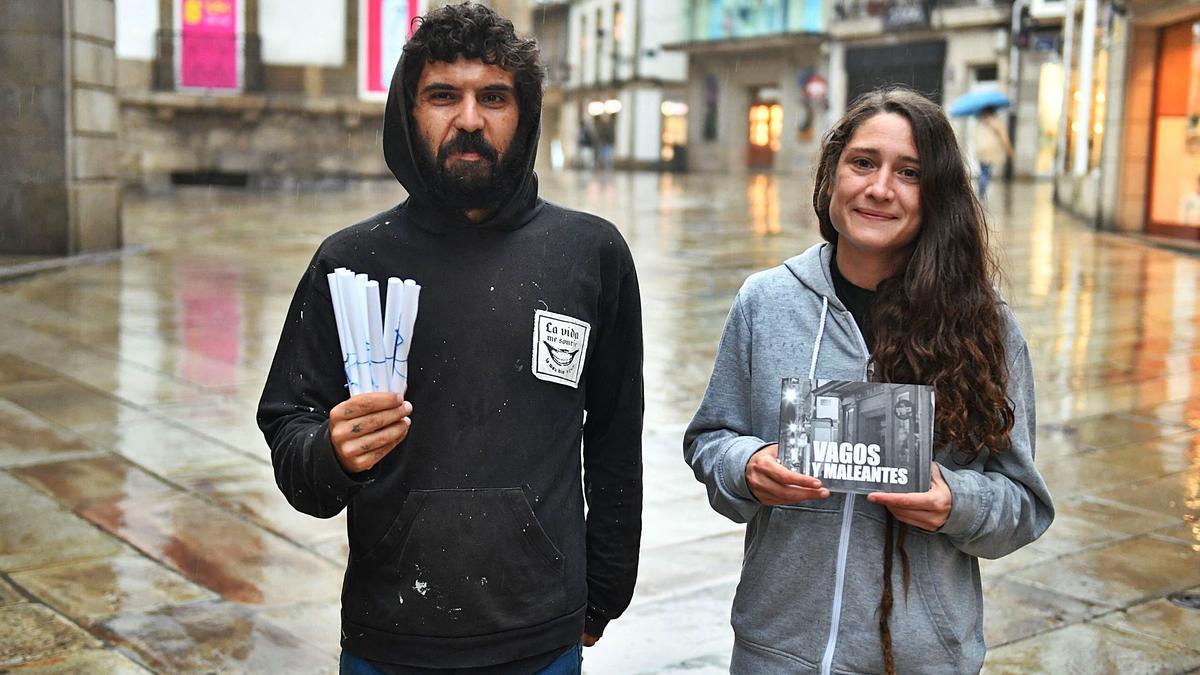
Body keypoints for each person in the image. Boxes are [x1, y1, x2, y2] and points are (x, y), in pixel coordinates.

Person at [257, 4, 644, 673]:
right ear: (407, 113)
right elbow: (292, 435)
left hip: (541, 631)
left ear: (525, 114)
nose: (470, 120)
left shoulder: (591, 252)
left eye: (494, 97)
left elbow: (614, 435)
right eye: (443, 96)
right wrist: (332, 452)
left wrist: (604, 592)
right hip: (390, 633)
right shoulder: (350, 263)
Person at [684, 88, 1053, 674]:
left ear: (936, 196)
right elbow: (710, 439)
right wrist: (747, 466)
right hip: (777, 651)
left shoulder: (986, 325)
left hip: (920, 658)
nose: (880, 188)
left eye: (909, 172)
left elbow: (1023, 505)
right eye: (863, 163)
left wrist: (954, 503)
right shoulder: (766, 300)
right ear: (832, 173)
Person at [973, 105, 1012, 201]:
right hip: (991, 151)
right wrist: (1009, 149)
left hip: (980, 151)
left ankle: (980, 190)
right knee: (986, 172)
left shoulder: (980, 122)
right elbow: (1004, 137)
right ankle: (981, 192)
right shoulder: (996, 123)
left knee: (983, 170)